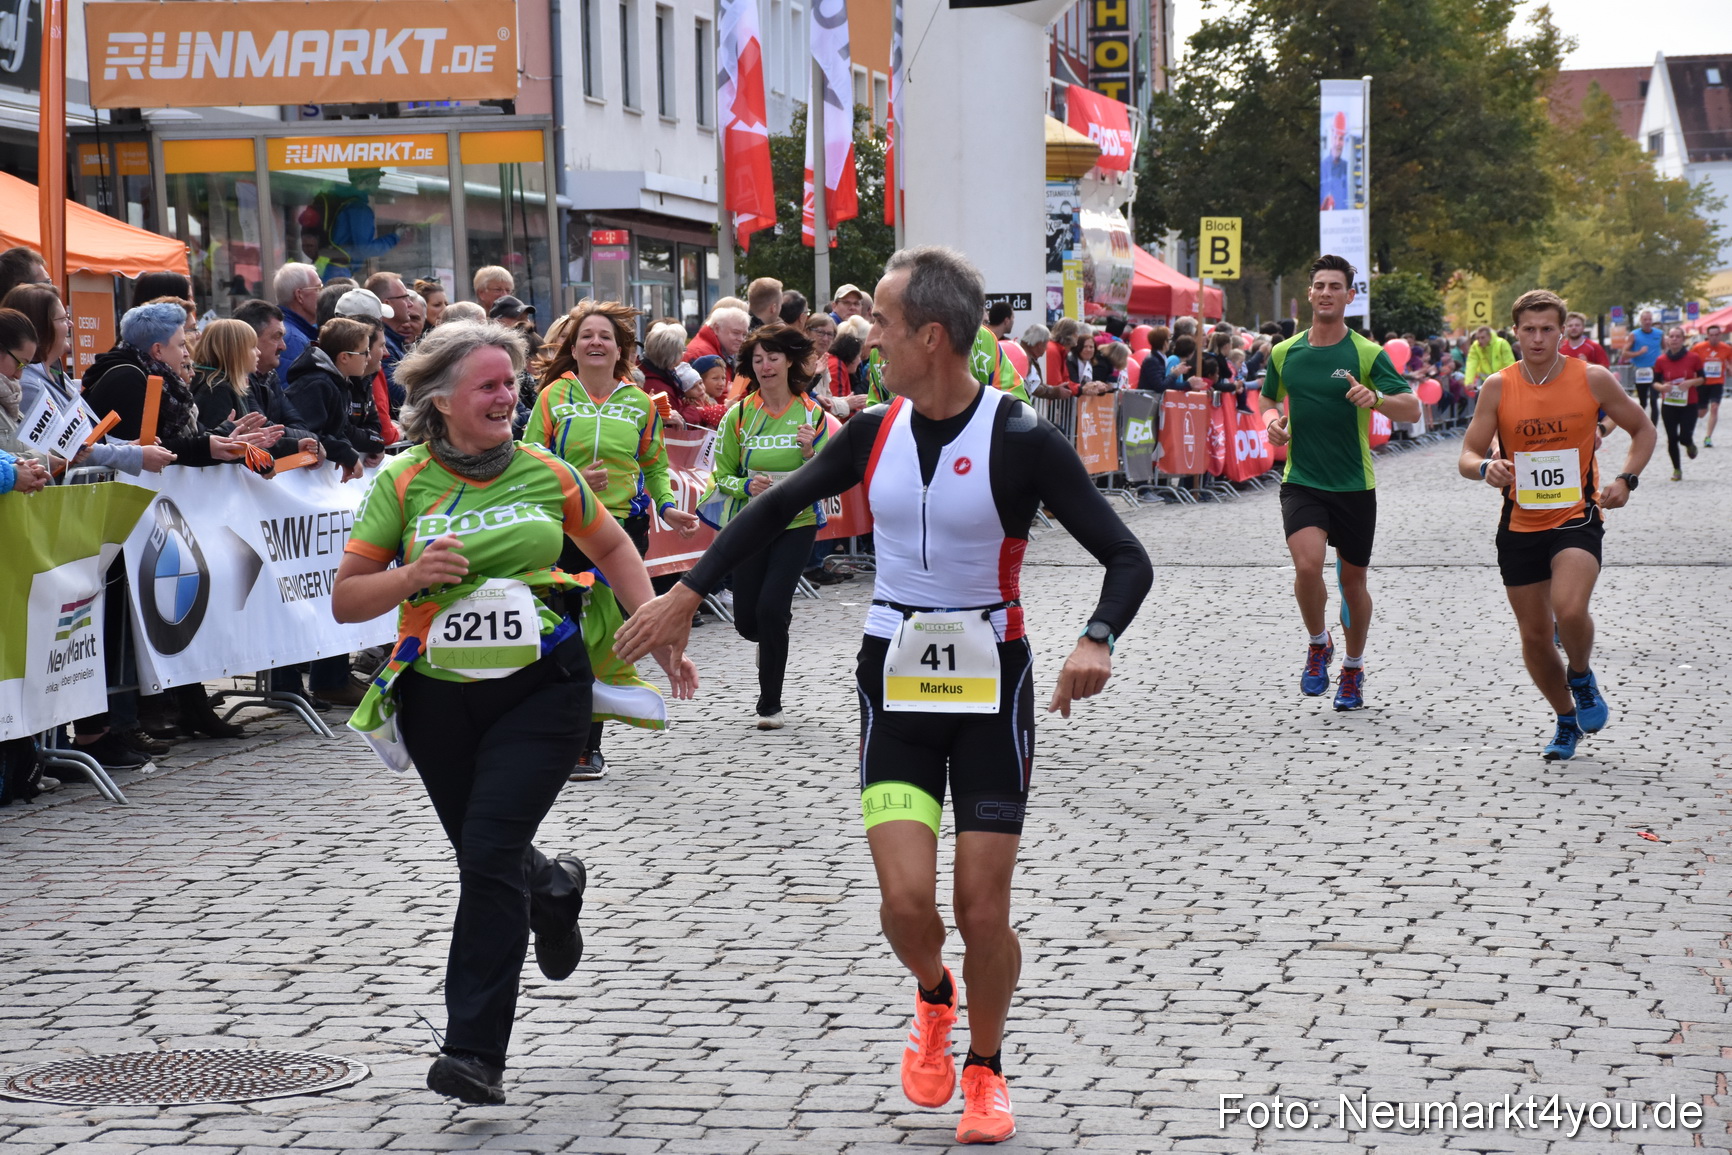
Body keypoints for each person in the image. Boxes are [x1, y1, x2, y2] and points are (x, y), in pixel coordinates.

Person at [615, 246, 1153, 1146]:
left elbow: (1127, 555)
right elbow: (771, 506)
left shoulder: (1020, 437)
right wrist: (686, 591)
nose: (869, 342)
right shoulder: (872, 429)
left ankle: (984, 1067)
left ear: (932, 336)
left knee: (982, 908)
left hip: (993, 685)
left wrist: (1096, 636)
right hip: (895, 683)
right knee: (907, 904)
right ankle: (934, 993)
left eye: (887, 327)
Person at [331, 321, 695, 1106]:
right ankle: (553, 888)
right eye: (489, 386)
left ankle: (473, 1050)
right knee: (488, 853)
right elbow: (347, 598)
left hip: (542, 687)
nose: (508, 398)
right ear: (441, 400)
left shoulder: (545, 470)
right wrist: (411, 576)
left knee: (488, 852)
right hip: (436, 696)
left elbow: (612, 548)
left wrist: (656, 624)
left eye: (512, 384)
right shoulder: (404, 481)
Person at [1457, 290, 1654, 760]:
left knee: (1568, 608)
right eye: (1529, 329)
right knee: (1534, 636)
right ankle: (1566, 719)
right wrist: (1486, 468)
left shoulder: (1592, 377)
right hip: (1519, 523)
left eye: (1548, 328)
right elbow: (1467, 454)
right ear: (1515, 333)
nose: (1538, 338)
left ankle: (1581, 675)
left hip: (1576, 516)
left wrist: (1626, 479)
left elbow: (1643, 429)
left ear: (1563, 331)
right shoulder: (1498, 386)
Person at [525, 300, 700, 779]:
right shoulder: (553, 397)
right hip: (562, 529)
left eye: (605, 336)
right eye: (587, 336)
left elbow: (656, 465)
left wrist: (668, 506)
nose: (596, 342)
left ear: (620, 350)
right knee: (564, 635)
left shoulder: (640, 403)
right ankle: (554, 730)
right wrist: (573, 480)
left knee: (601, 635)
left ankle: (586, 746)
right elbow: (530, 460)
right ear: (574, 347)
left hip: (622, 531)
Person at [1260, 254, 1420, 710]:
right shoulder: (1284, 352)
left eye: (1335, 286)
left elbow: (1412, 408)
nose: (1326, 292)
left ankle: (1353, 668)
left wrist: (1377, 397)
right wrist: (1271, 423)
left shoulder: (1366, 353)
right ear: (1309, 293)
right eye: (1320, 286)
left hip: (1353, 484)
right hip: (1302, 479)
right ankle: (1318, 643)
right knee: (1307, 567)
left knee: (1353, 582)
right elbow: (1267, 399)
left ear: (1350, 296)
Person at [702, 324, 831, 728]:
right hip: (751, 521)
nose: (765, 366)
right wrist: (746, 485)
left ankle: (770, 705)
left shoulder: (812, 413)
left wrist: (809, 453)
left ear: (789, 361)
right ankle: (770, 636)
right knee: (747, 621)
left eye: (773, 357)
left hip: (797, 522)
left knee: (773, 608)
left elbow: (828, 475)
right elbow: (720, 474)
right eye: (758, 359)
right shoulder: (739, 415)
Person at [189, 319, 317, 459]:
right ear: (236, 351)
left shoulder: (231, 385)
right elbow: (221, 449)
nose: (258, 352)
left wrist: (294, 446)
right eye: (252, 347)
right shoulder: (216, 390)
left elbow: (251, 440)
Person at [283, 316, 384, 480]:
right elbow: (307, 435)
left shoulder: (340, 382)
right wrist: (345, 453)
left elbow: (338, 429)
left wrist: (347, 451)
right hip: (292, 475)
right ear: (344, 357)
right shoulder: (317, 385)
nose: (369, 357)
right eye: (364, 352)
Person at [1651, 327, 1705, 480]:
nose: (1674, 339)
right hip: (1669, 404)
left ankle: (1689, 444)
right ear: (1667, 339)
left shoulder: (1693, 357)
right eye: (1671, 336)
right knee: (1672, 438)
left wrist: (1690, 382)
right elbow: (1654, 382)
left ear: (1683, 339)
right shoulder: (1661, 360)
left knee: (1684, 437)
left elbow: (1703, 379)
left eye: (1678, 336)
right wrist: (1662, 387)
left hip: (1689, 403)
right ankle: (1677, 469)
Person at [1688, 324, 1726, 447]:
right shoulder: (1698, 347)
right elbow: (1689, 360)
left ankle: (1708, 437)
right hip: (1702, 383)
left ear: (1720, 335)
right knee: (1701, 413)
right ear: (1707, 336)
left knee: (1714, 407)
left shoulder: (1726, 348)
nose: (1714, 337)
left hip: (1717, 383)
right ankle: (1689, 429)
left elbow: (1729, 361)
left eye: (1716, 335)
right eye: (1711, 335)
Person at [683, 304, 750, 370]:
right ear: (717, 329)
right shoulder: (698, 355)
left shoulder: (725, 352)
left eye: (744, 335)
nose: (741, 339)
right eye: (735, 333)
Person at [1626, 311, 1664, 423]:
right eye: (1645, 319)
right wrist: (1639, 353)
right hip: (1640, 371)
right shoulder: (1634, 334)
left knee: (1654, 400)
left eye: (1649, 319)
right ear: (1640, 321)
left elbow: (1666, 349)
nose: (1647, 322)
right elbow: (1624, 353)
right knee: (1643, 402)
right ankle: (1641, 425)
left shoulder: (1659, 334)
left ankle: (1653, 428)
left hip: (1655, 370)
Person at [1464, 325, 1515, 393]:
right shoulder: (1475, 346)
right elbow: (1471, 363)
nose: (1480, 341)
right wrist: (1469, 382)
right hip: (1484, 380)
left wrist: (1511, 380)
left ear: (1489, 336)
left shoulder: (1502, 344)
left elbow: (1509, 363)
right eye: (1478, 338)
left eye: (1483, 337)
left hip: (1502, 380)